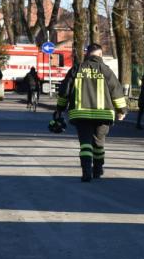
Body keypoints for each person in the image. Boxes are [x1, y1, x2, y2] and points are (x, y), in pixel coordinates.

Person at [54, 43, 127, 182]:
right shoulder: (106, 70)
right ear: (100, 55)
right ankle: (98, 169)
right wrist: (121, 111)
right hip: (103, 114)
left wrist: (59, 109)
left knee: (85, 144)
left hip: (81, 114)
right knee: (99, 144)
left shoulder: (77, 68)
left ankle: (86, 172)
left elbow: (64, 92)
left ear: (87, 54)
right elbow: (116, 91)